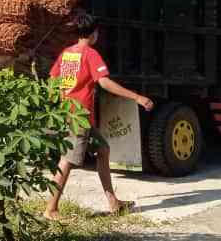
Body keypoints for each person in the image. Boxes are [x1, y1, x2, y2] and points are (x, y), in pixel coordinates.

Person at [45, 13, 154, 220]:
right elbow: (104, 82)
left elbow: (52, 79)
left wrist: (60, 101)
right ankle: (51, 208)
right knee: (67, 161)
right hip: (79, 116)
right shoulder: (90, 54)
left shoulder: (67, 53)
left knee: (103, 149)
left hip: (70, 114)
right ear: (94, 33)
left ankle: (114, 203)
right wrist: (137, 97)